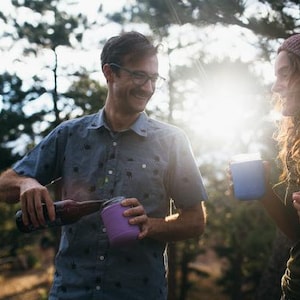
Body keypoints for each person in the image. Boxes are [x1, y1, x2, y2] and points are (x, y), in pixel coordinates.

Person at [0, 31, 208, 300]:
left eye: (153, 78)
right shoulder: (69, 134)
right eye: (138, 75)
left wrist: (151, 225)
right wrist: (26, 182)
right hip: (70, 293)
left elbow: (196, 220)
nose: (148, 87)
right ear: (109, 73)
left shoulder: (172, 141)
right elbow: (4, 185)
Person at [230, 34, 300, 300]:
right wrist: (264, 191)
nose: (275, 87)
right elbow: (296, 233)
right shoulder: (296, 141)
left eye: (285, 74)